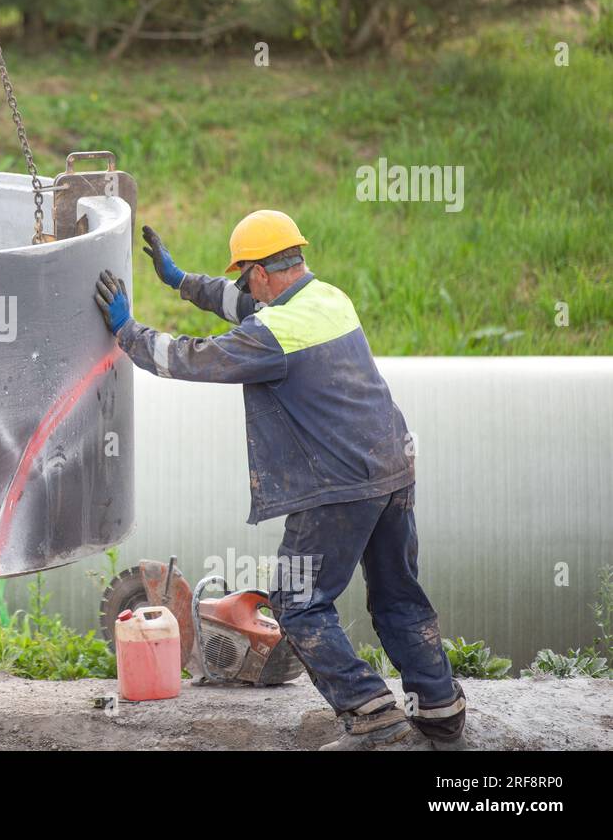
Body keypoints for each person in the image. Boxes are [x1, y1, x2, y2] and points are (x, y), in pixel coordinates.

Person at [94, 211, 466, 750]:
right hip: (392, 467)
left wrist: (128, 332)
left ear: (263, 272)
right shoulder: (329, 299)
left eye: (246, 278)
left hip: (338, 485)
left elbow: (192, 359)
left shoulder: (272, 335)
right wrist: (181, 283)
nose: (247, 290)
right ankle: (441, 714)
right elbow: (242, 304)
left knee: (297, 601)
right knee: (398, 596)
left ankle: (371, 713)